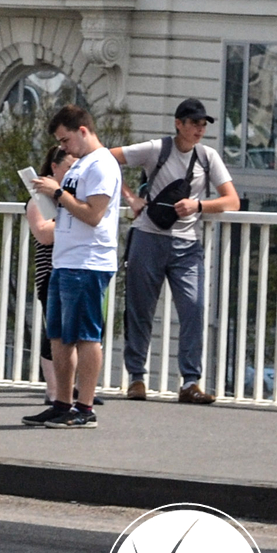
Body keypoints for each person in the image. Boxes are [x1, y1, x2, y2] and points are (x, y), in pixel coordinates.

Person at [111, 98, 238, 405]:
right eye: (194, 123)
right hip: (148, 237)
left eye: (203, 124)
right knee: (140, 309)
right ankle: (136, 378)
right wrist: (130, 196)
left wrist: (199, 205)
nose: (199, 129)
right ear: (178, 124)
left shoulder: (208, 157)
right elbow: (106, 158)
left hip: (187, 243)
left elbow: (231, 200)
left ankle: (190, 381)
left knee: (194, 308)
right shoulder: (156, 149)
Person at [26, 104, 118, 428]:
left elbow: (93, 214)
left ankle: (85, 407)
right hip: (65, 260)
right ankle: (62, 402)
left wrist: (59, 193)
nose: (63, 147)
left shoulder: (102, 165)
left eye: (65, 140)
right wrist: (50, 198)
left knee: (85, 335)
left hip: (88, 261)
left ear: (82, 131)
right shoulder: (82, 166)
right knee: (59, 337)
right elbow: (71, 207)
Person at [22, 143, 72, 387]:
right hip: (51, 272)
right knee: (55, 330)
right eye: (69, 167)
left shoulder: (76, 196)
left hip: (78, 269)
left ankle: (78, 387)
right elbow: (43, 233)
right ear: (55, 167)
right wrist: (75, 217)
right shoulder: (40, 198)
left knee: (82, 330)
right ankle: (55, 389)